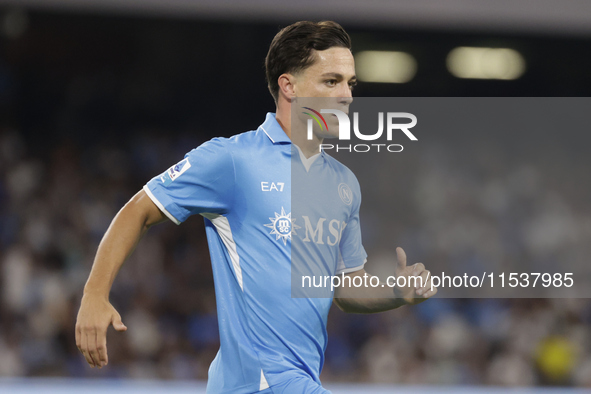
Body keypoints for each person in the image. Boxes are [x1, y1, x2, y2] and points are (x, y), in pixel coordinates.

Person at [75, 20, 437, 393]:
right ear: (289, 86)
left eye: (350, 83)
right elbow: (139, 210)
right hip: (259, 380)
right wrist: (94, 296)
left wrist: (395, 293)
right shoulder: (233, 159)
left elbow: (344, 289)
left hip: (290, 381)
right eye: (331, 81)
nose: (346, 95)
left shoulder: (343, 183)